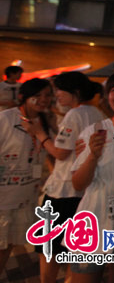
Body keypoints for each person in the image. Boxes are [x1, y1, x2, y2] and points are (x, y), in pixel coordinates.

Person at [29, 72, 105, 282]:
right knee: (74, 245)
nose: (56, 96)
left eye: (59, 90)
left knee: (49, 246)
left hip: (62, 191)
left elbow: (61, 153)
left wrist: (40, 134)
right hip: (83, 191)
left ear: (75, 92)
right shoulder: (96, 113)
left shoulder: (75, 114)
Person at [70, 72, 114, 283]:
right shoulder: (96, 131)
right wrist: (93, 155)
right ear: (107, 97)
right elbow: (78, 184)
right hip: (93, 220)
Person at [0, 78, 53, 274]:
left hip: (25, 196)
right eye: (37, 96)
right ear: (24, 97)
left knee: (10, 243)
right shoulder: (6, 119)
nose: (43, 100)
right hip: (3, 197)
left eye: (47, 95)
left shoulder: (46, 121)